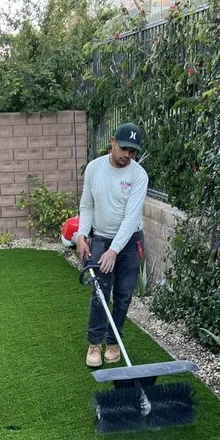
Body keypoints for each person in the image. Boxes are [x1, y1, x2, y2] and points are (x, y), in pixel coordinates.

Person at [76, 123, 149, 368]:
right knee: (99, 293)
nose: (127, 155)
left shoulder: (138, 176)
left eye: (133, 152)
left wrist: (114, 250)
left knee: (123, 295)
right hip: (101, 238)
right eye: (124, 149)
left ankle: (114, 341)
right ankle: (94, 343)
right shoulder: (94, 169)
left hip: (129, 242)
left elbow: (131, 217)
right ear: (112, 142)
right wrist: (82, 235)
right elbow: (87, 206)